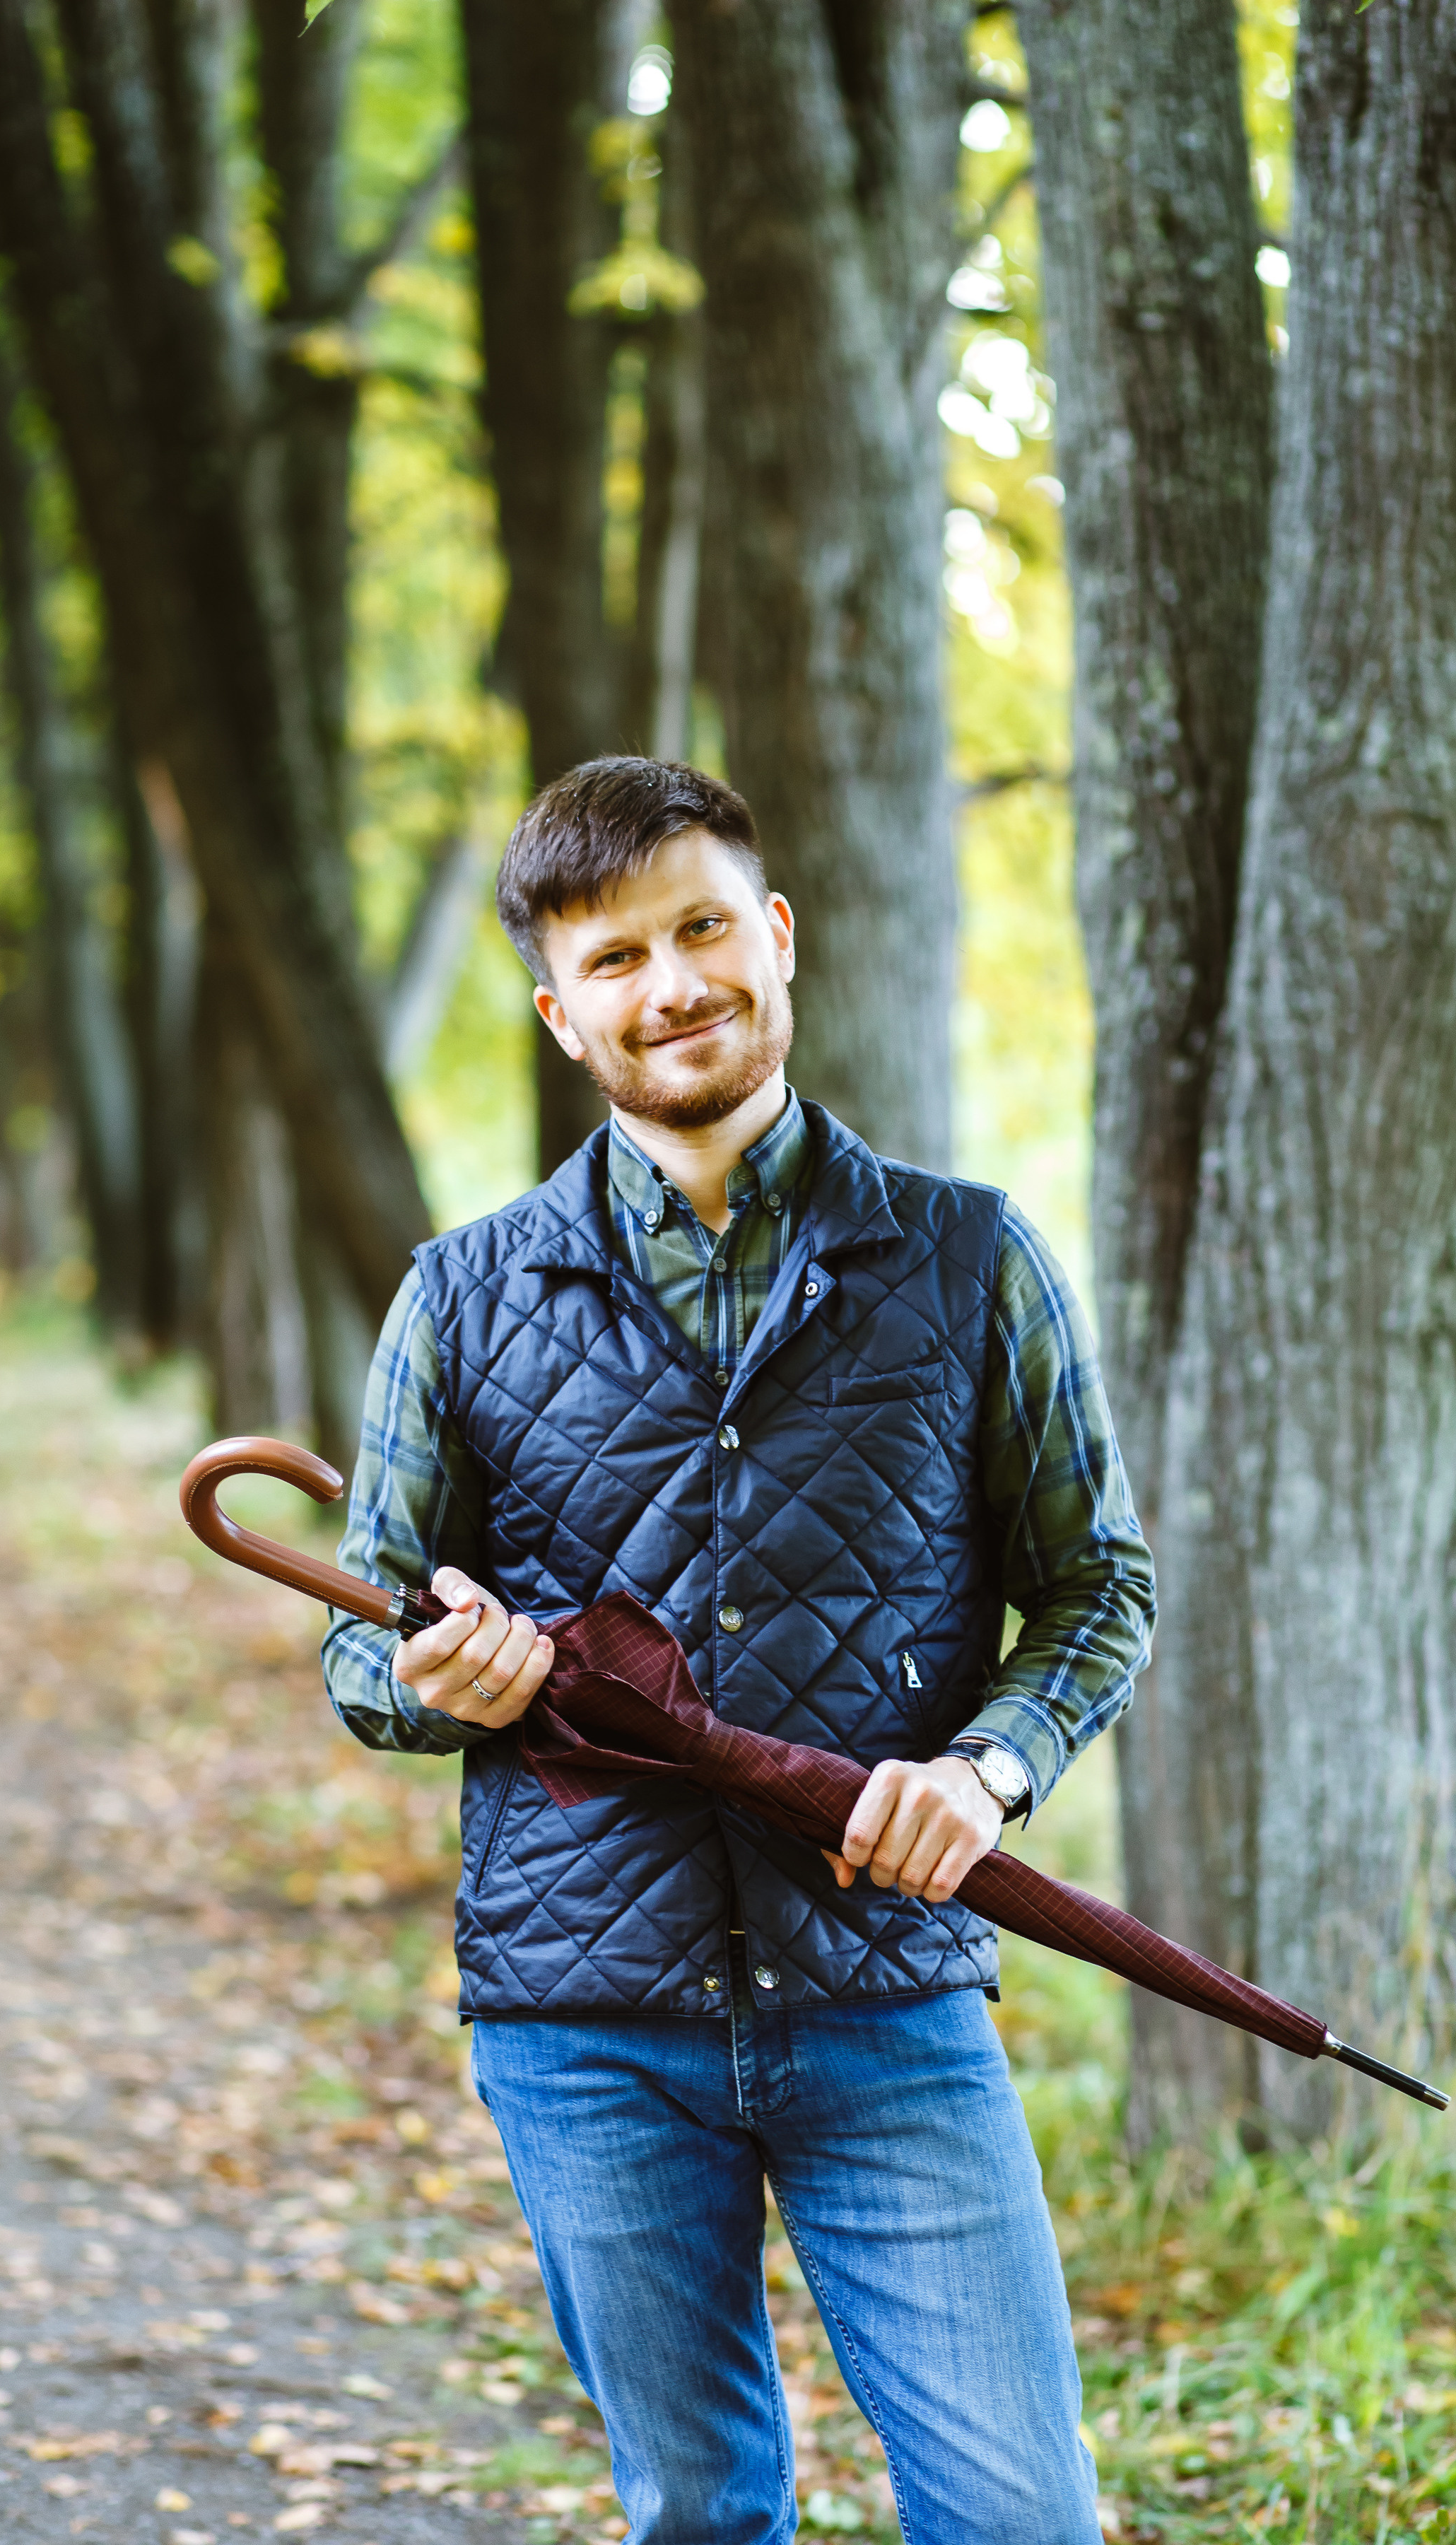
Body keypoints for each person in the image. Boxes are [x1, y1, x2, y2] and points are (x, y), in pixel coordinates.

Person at [323, 757, 1156, 2545]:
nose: (673, 984)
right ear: (561, 1012)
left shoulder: (967, 1258)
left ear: (775, 937)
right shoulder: (458, 1298)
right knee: (698, 2512)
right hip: (586, 2022)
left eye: (703, 929)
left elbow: (1099, 1585)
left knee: (1022, 2518)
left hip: (886, 1994)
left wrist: (987, 1770)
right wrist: (426, 1681)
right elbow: (359, 1645)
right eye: (615, 959)